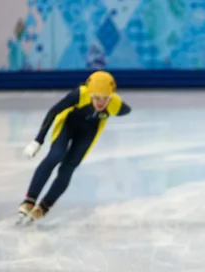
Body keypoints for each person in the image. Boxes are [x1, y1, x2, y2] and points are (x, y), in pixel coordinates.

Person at [17, 70, 131, 222]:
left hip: (88, 133)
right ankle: (30, 200)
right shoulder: (79, 94)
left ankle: (44, 207)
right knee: (55, 156)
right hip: (67, 126)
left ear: (111, 96)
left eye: (105, 98)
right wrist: (38, 140)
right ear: (90, 93)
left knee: (68, 168)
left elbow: (126, 110)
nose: (100, 102)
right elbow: (53, 111)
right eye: (96, 97)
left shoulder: (116, 104)